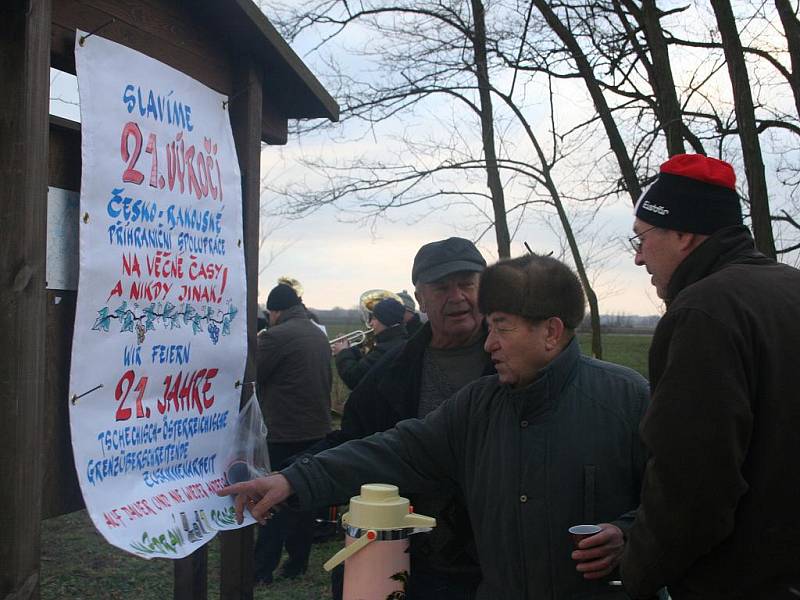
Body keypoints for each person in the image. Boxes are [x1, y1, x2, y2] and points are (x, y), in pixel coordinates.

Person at [221, 254, 652, 599]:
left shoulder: (627, 398)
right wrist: (293, 479)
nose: (490, 343)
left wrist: (629, 534)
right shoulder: (479, 404)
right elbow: (396, 449)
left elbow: (677, 499)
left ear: (552, 332)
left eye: (502, 327)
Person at [619, 154, 800, 599]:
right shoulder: (791, 287)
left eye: (641, 239)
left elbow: (694, 484)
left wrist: (638, 573)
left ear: (682, 233)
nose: (639, 257)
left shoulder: (703, 312)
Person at [314, 237, 492, 599]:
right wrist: (290, 476)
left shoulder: (518, 360)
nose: (457, 296)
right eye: (442, 287)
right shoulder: (390, 374)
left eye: (467, 284)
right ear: (420, 299)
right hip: (411, 565)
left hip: (498, 566)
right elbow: (354, 445)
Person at [253, 282, 333, 584]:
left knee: (273, 504)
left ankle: (261, 570)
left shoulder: (276, 336)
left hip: (285, 433)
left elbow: (252, 375)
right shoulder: (318, 332)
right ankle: (297, 563)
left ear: (275, 311)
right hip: (318, 430)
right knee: (304, 500)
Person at [333, 297, 408, 390]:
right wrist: (349, 350)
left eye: (374, 318)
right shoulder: (396, 342)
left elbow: (353, 378)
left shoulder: (385, 349)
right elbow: (366, 367)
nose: (370, 323)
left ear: (385, 320)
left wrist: (342, 353)